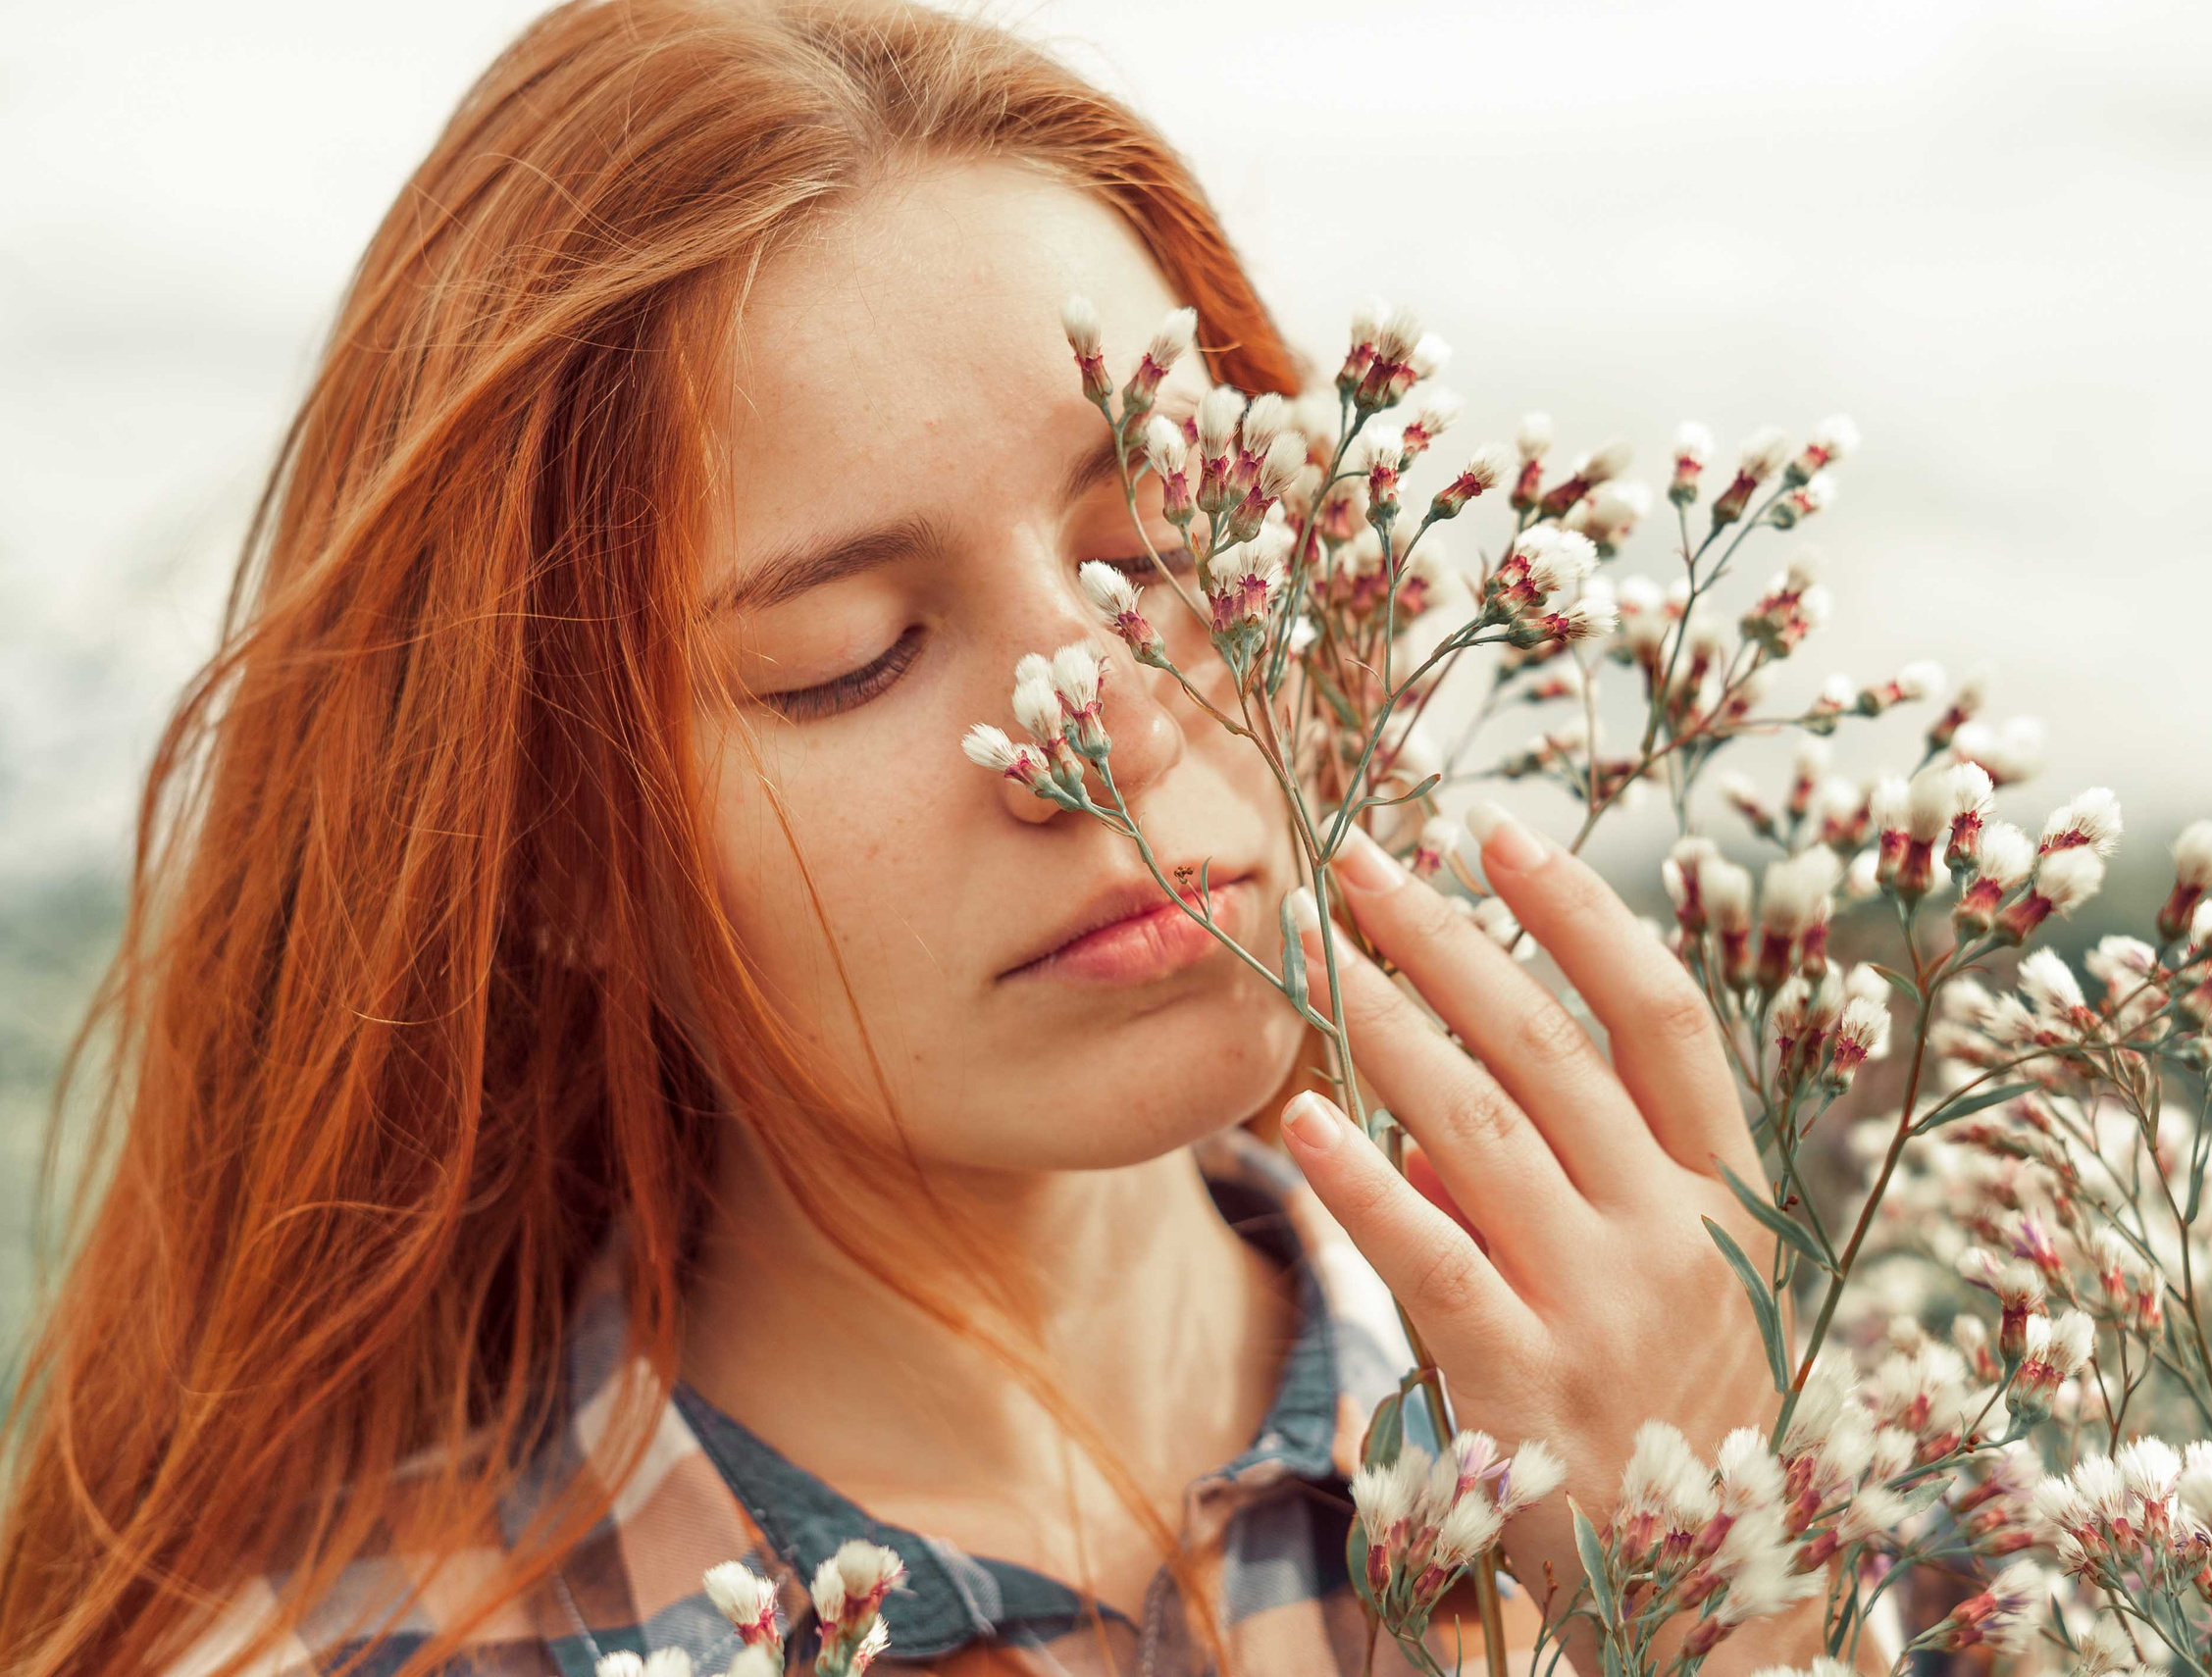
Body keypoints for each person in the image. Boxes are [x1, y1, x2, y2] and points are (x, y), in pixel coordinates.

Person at [0, 3, 1825, 1673]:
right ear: (559, 857)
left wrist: (1730, 1606)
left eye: (1163, 551)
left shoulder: (1688, 1432)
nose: (1096, 714)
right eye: (844, 659)